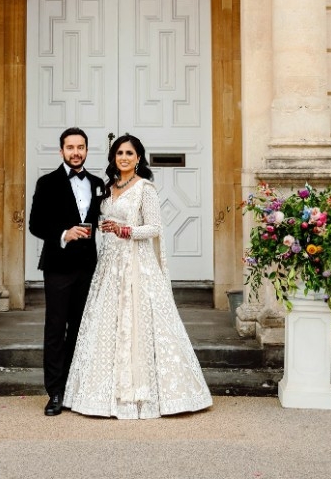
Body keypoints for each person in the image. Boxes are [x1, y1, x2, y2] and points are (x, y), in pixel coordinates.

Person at [63, 134, 212, 419]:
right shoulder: (107, 189)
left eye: (129, 153)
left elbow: (155, 228)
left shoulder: (145, 189)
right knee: (106, 323)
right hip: (110, 266)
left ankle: (153, 395)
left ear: (139, 158)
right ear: (113, 158)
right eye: (119, 153)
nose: (124, 158)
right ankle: (98, 395)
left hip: (137, 265)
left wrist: (127, 231)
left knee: (139, 325)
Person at [28, 126, 104, 416]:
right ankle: (55, 392)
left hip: (88, 267)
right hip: (58, 267)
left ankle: (75, 386)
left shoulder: (98, 183)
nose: (76, 152)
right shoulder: (47, 183)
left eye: (81, 147)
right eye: (70, 147)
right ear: (61, 151)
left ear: (86, 150)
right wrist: (63, 233)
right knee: (56, 329)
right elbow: (36, 224)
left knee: (81, 328)